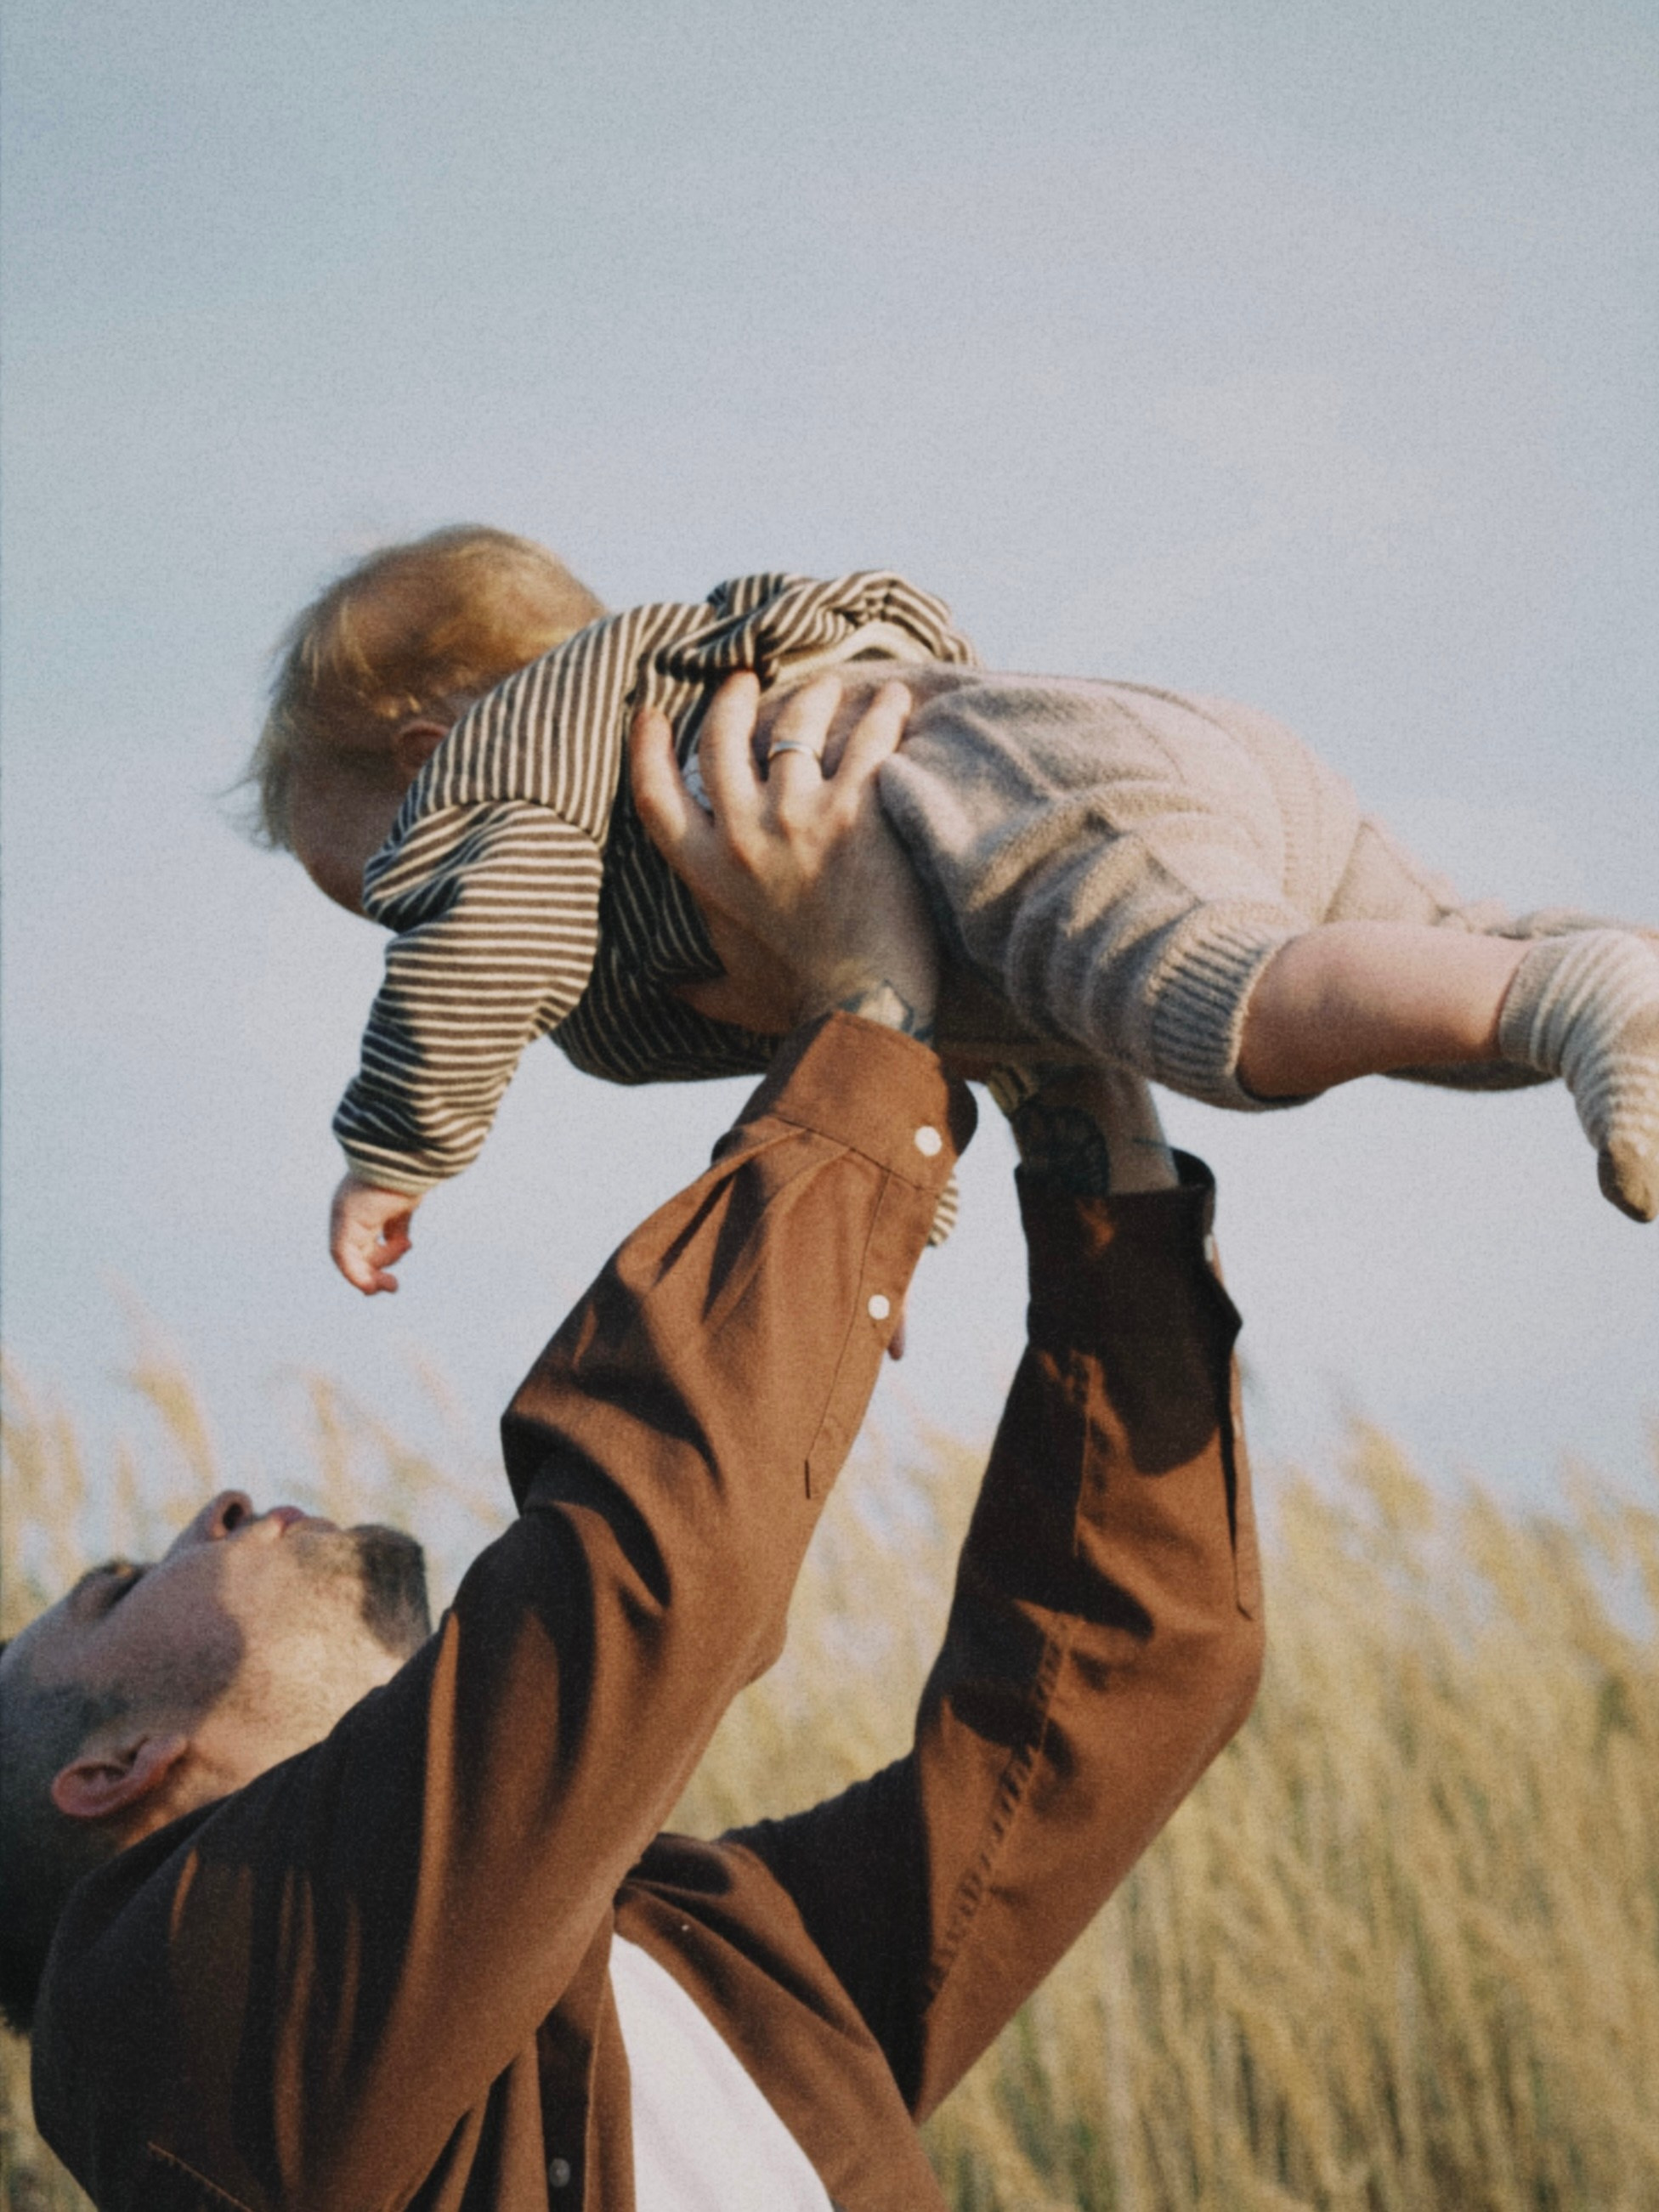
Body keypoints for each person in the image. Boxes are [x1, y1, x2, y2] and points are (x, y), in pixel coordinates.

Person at [3, 680, 1263, 2212]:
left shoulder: (689, 1946)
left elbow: (1111, 1694)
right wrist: (864, 1017)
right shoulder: (163, 2014)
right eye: (115, 1583)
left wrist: (1087, 1135)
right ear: (113, 1771)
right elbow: (647, 1581)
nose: (211, 1505)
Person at [240, 526, 1659, 1296]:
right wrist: (887, 1234)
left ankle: (1586, 998)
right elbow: (901, 1039)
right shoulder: (668, 722)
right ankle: (1603, 993)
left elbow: (490, 941)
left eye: (377, 890)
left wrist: (397, 1149)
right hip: (1138, 755)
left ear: (429, 757)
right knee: (1435, 977)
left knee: (1234, 1006)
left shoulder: (515, 778)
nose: (408, 921)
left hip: (1003, 791)